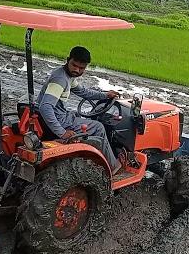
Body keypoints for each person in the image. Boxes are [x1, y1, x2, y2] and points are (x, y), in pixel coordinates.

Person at [36, 46, 126, 174]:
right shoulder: (60, 80)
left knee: (77, 114)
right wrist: (62, 132)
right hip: (60, 122)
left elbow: (83, 92)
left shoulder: (67, 75)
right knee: (98, 127)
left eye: (81, 68)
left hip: (60, 116)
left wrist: (105, 95)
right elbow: (45, 107)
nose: (77, 70)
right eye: (74, 65)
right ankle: (113, 166)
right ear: (68, 60)